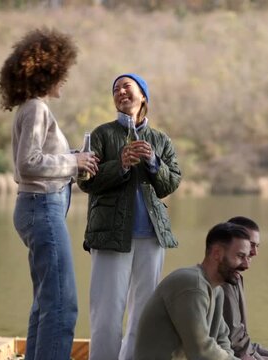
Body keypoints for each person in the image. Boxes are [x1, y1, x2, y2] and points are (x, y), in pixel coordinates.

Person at [0, 28, 99, 360]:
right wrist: (73, 161)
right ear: (47, 71)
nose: (64, 80)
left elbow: (38, 158)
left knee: (46, 302)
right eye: (62, 73)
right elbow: (27, 164)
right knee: (62, 305)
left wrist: (74, 158)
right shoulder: (36, 109)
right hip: (41, 208)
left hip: (38, 208)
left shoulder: (30, 109)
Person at [77, 73, 181, 360]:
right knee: (106, 314)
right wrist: (120, 164)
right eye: (116, 89)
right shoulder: (101, 134)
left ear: (143, 96)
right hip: (110, 235)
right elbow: (86, 182)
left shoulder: (160, 139)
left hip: (152, 236)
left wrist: (152, 162)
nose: (121, 92)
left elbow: (170, 183)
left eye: (127, 87)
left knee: (144, 314)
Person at [134, 222, 252, 360]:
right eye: (240, 256)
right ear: (217, 253)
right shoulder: (192, 286)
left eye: (247, 257)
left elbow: (222, 340)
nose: (247, 265)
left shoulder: (216, 290)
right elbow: (201, 351)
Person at [222, 216, 268, 360]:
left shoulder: (235, 278)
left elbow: (241, 341)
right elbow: (236, 345)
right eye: (251, 245)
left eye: (257, 246)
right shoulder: (223, 281)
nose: (255, 252)